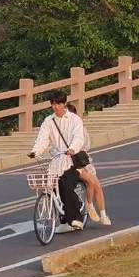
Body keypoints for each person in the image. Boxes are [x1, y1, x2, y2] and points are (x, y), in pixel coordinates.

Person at [28, 90, 85, 230]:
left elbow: (78, 136)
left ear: (64, 103)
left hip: (71, 159)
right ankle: (63, 218)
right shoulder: (48, 121)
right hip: (56, 161)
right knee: (51, 186)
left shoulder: (74, 119)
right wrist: (35, 151)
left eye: (58, 103)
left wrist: (72, 148)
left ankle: (76, 218)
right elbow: (42, 138)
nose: (55, 107)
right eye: (53, 104)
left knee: (66, 184)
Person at [66, 103, 111, 226]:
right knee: (92, 182)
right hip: (71, 164)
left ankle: (102, 214)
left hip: (82, 161)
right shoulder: (63, 130)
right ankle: (90, 206)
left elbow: (85, 145)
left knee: (97, 185)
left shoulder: (79, 129)